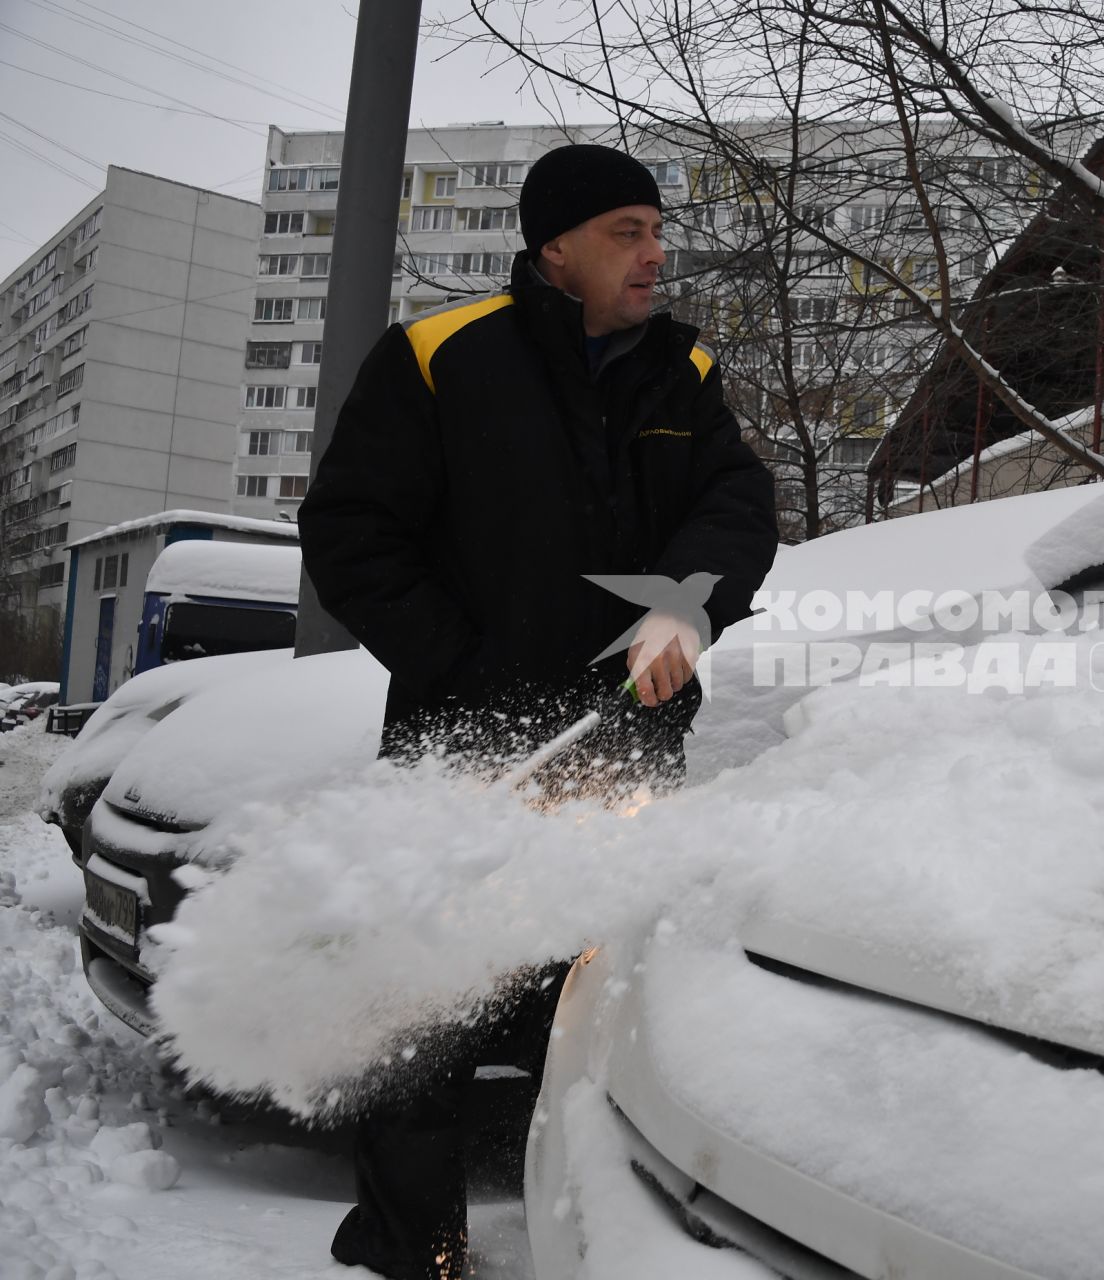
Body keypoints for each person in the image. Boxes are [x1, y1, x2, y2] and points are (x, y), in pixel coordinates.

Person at [298, 144, 779, 1279]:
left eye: (658, 229)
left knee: (598, 1005)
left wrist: (686, 608)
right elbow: (352, 536)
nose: (656, 252)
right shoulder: (439, 358)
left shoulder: (684, 369)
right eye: (627, 230)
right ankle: (416, 1250)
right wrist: (469, 679)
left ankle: (603, 1240)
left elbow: (736, 502)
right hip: (466, 758)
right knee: (426, 1015)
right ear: (554, 244)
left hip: (626, 752)